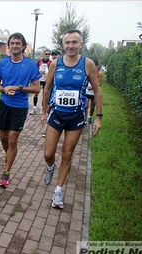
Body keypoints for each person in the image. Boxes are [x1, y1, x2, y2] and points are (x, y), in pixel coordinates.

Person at [41, 29, 102, 209]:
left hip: (76, 115)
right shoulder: (55, 63)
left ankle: (58, 192)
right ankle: (51, 166)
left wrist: (98, 116)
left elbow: (97, 91)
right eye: (67, 42)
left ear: (81, 44)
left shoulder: (88, 64)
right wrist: (44, 112)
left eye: (74, 42)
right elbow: (47, 89)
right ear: (63, 45)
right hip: (57, 113)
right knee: (48, 154)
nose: (71, 46)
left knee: (67, 153)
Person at [0, 32, 41, 188]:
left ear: (23, 46)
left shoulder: (30, 64)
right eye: (12, 43)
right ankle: (9, 157)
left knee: (13, 138)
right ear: (8, 46)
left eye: (18, 43)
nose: (15, 45)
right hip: (4, 104)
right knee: (3, 138)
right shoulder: (2, 63)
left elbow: (37, 89)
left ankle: (6, 173)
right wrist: (5, 90)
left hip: (20, 106)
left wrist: (19, 88)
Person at [42, 49, 61, 138]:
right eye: (52, 55)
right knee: (49, 110)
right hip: (51, 92)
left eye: (55, 55)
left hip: (59, 94)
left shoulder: (62, 65)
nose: (54, 56)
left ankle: (54, 130)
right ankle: (48, 130)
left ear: (59, 55)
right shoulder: (49, 65)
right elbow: (47, 79)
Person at [30, 49, 52, 115]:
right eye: (46, 54)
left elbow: (51, 71)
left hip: (46, 80)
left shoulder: (51, 62)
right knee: (36, 93)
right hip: (39, 79)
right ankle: (34, 108)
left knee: (44, 94)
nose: (47, 55)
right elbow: (35, 70)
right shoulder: (40, 61)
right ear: (43, 54)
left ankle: (43, 108)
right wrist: (39, 72)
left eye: (48, 54)